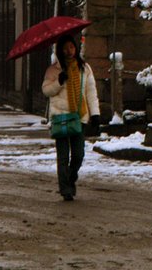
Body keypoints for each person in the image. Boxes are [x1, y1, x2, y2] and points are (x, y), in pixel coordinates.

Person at [42, 34, 101, 200]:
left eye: (72, 47)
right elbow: (46, 91)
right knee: (62, 156)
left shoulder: (85, 68)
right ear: (60, 50)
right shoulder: (53, 70)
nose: (69, 51)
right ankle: (65, 189)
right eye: (65, 48)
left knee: (78, 155)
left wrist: (95, 114)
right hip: (60, 118)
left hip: (78, 116)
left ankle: (70, 178)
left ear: (76, 48)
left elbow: (91, 92)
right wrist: (59, 82)